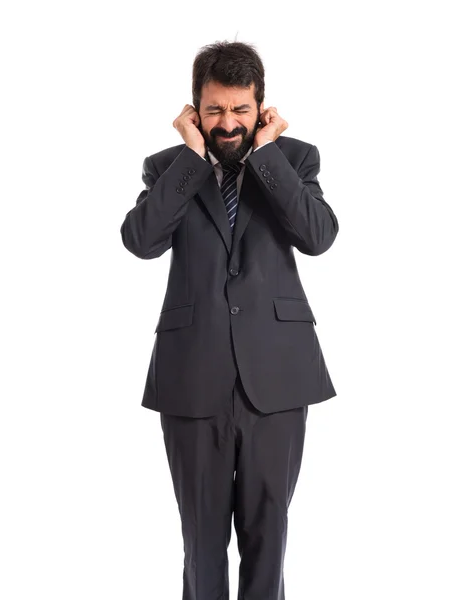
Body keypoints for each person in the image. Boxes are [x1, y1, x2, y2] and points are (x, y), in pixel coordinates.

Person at [120, 40, 339, 600]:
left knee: (270, 538)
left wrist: (266, 154)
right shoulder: (168, 168)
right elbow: (140, 241)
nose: (228, 122)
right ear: (194, 108)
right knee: (201, 544)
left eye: (241, 109)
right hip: (193, 379)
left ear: (261, 106)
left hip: (279, 377)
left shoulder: (294, 160)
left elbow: (318, 237)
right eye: (214, 109)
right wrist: (193, 159)